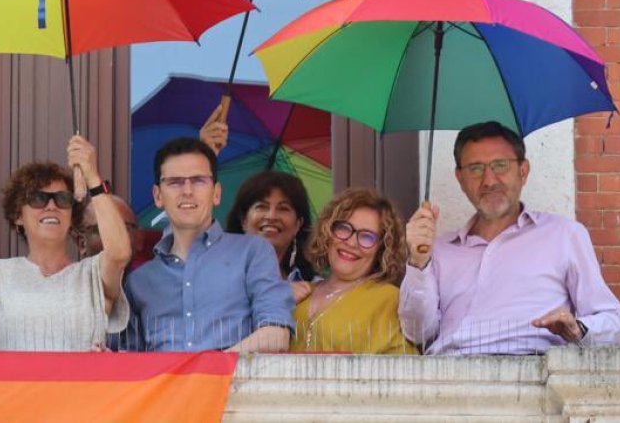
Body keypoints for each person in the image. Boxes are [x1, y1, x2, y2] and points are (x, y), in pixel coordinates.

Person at [400, 121, 620, 354]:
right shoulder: (438, 249)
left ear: (523, 171)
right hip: (450, 375)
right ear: (460, 178)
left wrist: (578, 329)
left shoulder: (564, 235)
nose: (489, 180)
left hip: (533, 369)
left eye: (500, 165)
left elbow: (614, 322)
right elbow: (418, 333)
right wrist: (418, 262)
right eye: (475, 168)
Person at [125, 137, 293, 352]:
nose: (187, 190)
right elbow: (128, 359)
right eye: (175, 182)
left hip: (232, 384)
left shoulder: (252, 252)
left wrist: (210, 373)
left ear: (216, 193)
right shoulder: (139, 280)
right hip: (165, 385)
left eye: (198, 180)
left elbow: (276, 334)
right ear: (158, 196)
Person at [0, 135, 131, 351]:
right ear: (18, 216)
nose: (51, 206)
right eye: (38, 199)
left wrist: (92, 177)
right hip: (15, 386)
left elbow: (119, 253)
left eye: (63, 199)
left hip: (79, 385)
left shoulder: (93, 275)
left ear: (72, 215)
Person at [290, 187, 416, 354]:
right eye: (343, 228)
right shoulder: (299, 293)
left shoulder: (388, 299)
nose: (351, 242)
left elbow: (403, 369)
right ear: (327, 231)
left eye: (367, 236)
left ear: (381, 250)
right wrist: (282, 301)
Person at [225, 171, 317, 302]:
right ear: (243, 220)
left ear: (298, 224)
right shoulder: (217, 277)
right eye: (261, 207)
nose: (271, 216)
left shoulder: (313, 285)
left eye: (283, 208)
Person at [78, 193, 144, 265]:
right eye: (102, 230)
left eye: (121, 229)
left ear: (139, 239)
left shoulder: (152, 275)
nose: (113, 239)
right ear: (82, 244)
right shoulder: (68, 275)